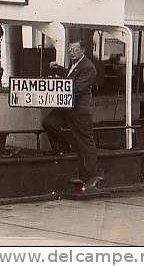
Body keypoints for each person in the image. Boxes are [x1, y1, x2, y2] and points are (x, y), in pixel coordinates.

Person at [43, 40, 103, 191]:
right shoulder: (75, 64)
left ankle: (91, 177)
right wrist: (58, 70)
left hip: (80, 110)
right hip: (67, 106)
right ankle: (64, 147)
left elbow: (77, 88)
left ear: (83, 50)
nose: (72, 52)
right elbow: (71, 76)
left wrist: (55, 89)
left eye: (75, 49)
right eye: (70, 49)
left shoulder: (88, 67)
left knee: (85, 143)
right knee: (49, 123)